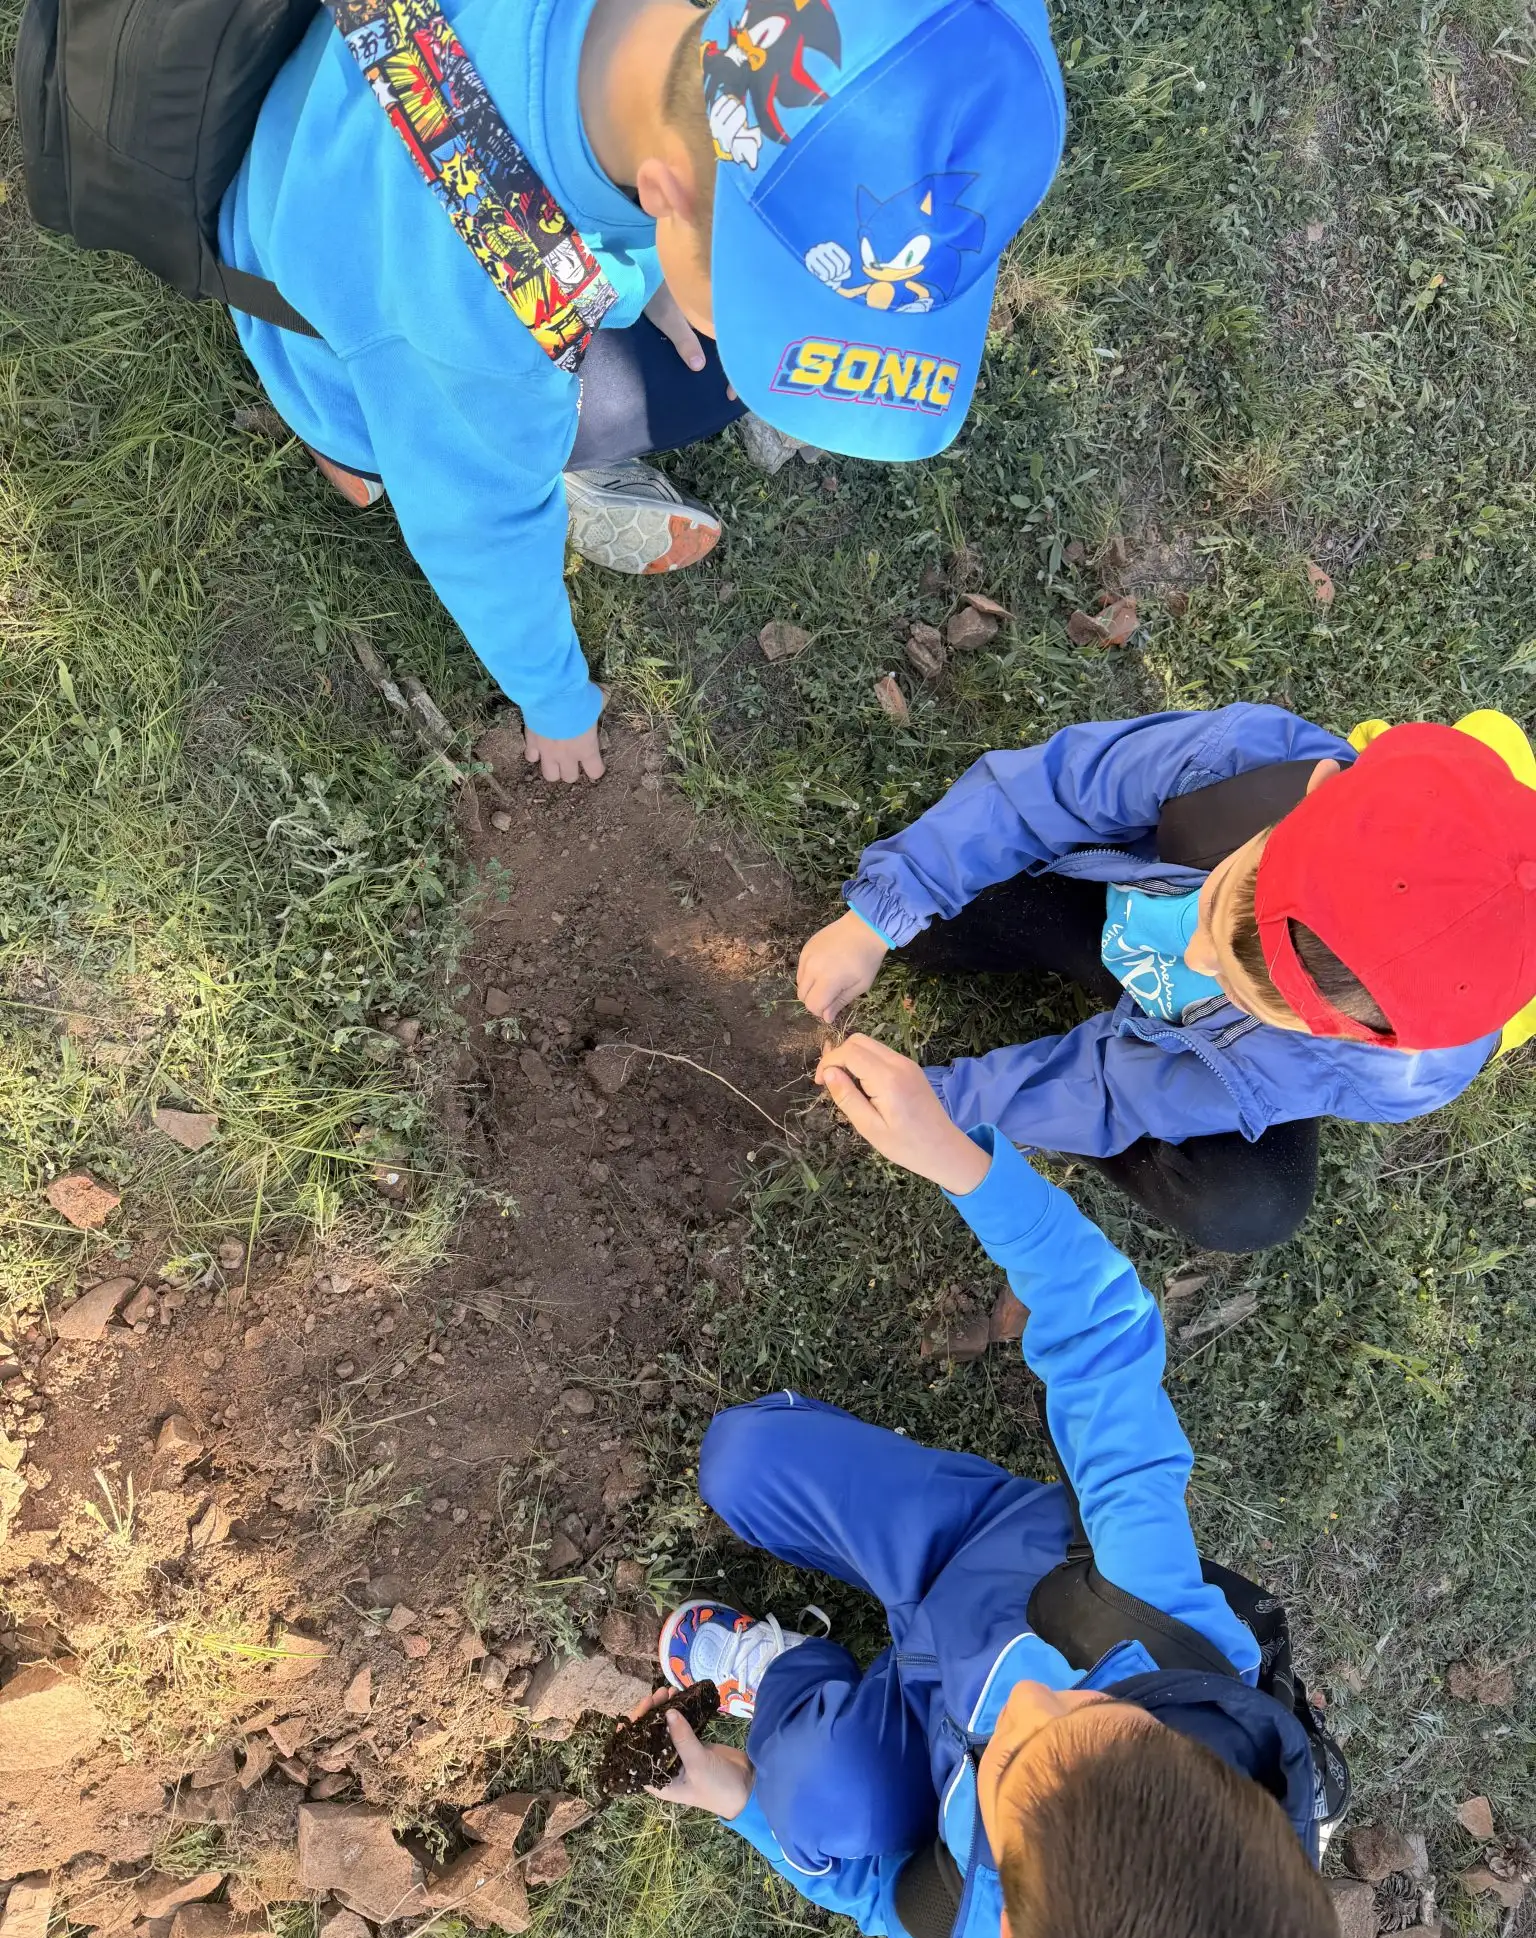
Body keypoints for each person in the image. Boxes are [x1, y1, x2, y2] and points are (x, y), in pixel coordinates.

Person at [636, 1038, 1346, 1938]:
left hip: (917, 1723)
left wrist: (735, 1800)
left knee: (817, 1801)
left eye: (1015, 1757)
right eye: (1103, 1708)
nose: (1034, 1694)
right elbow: (1103, 1334)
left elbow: (882, 1898)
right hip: (975, 1549)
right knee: (742, 1459)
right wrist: (962, 1159)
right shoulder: (1167, 1623)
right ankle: (863, 1635)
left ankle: (788, 1671)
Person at [217, 0, 1066, 781]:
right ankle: (356, 452)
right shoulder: (488, 319)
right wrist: (554, 702)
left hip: (348, 132)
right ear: (666, 197)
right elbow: (477, 528)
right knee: (721, 382)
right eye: (761, 290)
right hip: (355, 334)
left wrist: (660, 260)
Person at [796, 706, 1536, 1250]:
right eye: (1218, 910)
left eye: (1246, 988)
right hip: (1129, 895)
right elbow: (1049, 789)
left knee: (1245, 1207)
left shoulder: (1379, 1068)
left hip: (1238, 1055)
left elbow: (1125, 1085)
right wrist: (878, 918)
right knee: (930, 928)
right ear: (1308, 799)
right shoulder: (1246, 763)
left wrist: (949, 1108)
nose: (1200, 959)